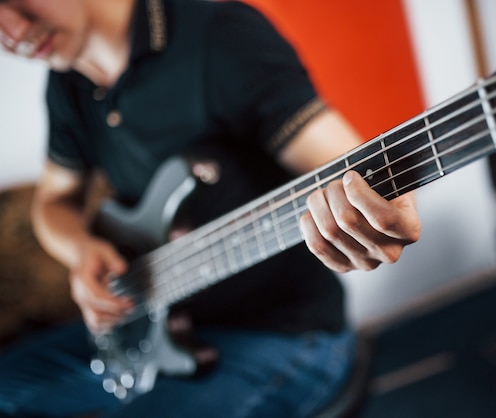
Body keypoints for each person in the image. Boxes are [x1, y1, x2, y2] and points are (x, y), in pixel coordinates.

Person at [0, 0, 421, 416]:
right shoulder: (67, 82)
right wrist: (80, 250)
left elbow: (345, 167)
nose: (13, 31)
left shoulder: (219, 33)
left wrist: (380, 204)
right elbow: (54, 201)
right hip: (150, 324)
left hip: (284, 334)